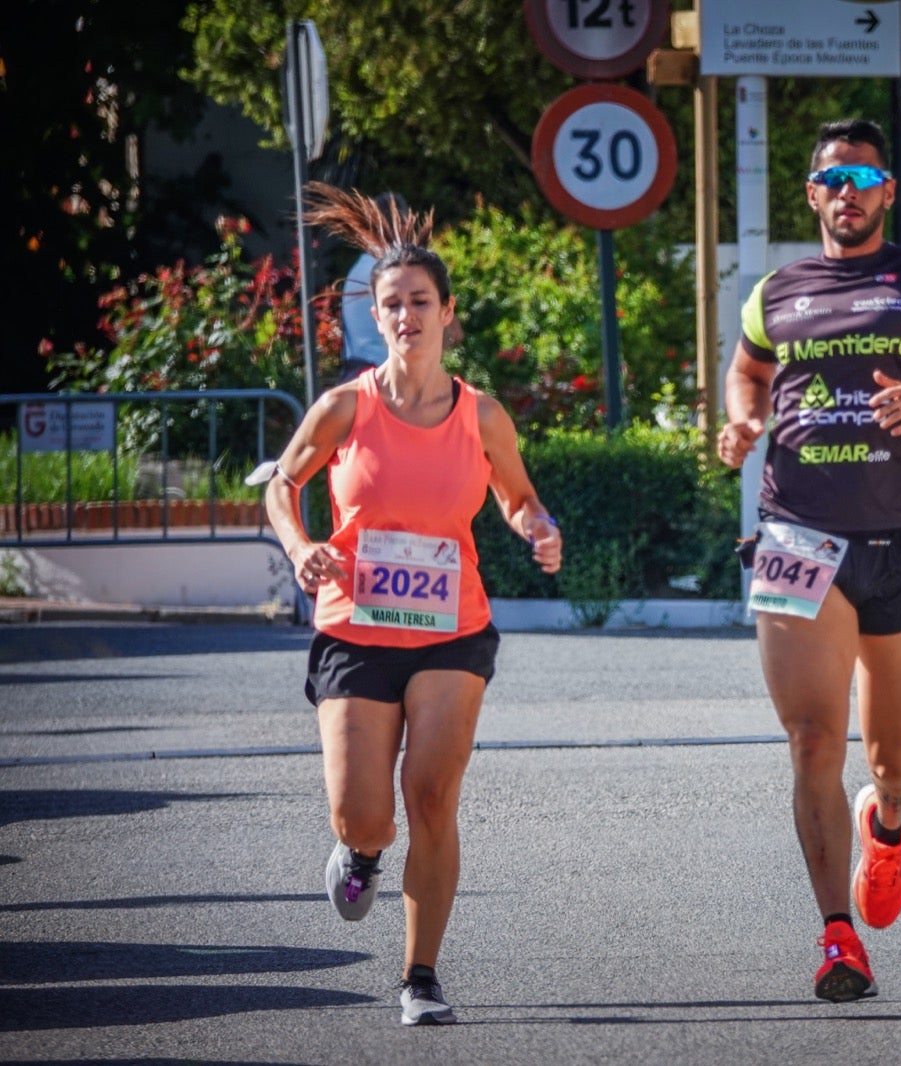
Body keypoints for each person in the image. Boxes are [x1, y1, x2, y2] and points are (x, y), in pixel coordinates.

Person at [718, 119, 901, 1003]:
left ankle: (885, 827)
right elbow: (747, 369)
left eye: (863, 177)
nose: (845, 192)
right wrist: (744, 417)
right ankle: (837, 938)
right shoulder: (778, 289)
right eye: (830, 179)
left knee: (891, 759)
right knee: (813, 739)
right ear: (811, 195)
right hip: (795, 536)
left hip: (900, 543)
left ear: (887, 191)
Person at [263, 182, 563, 1025]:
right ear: (376, 316)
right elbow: (282, 485)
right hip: (354, 629)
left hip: (450, 630)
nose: (405, 316)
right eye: (390, 304)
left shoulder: (483, 415)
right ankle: (359, 851)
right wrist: (300, 547)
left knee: (432, 796)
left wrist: (539, 529)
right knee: (368, 811)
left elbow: (518, 499)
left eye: (419, 301)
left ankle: (419, 977)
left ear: (446, 312)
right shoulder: (345, 407)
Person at [337, 192, 406, 384]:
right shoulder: (390, 270)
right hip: (380, 379)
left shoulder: (363, 266)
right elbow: (451, 332)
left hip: (357, 374)